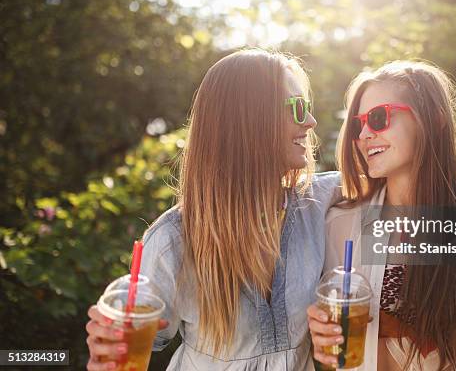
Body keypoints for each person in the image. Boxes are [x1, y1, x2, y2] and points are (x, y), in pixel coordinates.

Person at [84, 48, 342, 370]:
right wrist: (106, 351)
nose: (311, 121)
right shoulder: (173, 241)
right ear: (248, 118)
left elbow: (406, 184)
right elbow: (131, 348)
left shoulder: (319, 202)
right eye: (297, 108)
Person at [307, 61, 456, 370]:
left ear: (433, 120)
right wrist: (318, 341)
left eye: (379, 118)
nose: (363, 134)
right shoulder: (337, 228)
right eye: (358, 124)